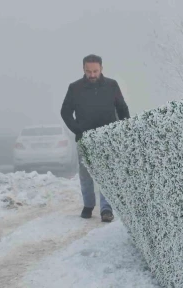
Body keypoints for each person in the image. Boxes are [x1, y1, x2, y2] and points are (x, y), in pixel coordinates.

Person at [60, 54, 130, 222]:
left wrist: (124, 129)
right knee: (86, 174)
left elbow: (122, 109)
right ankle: (88, 205)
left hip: (108, 137)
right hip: (85, 138)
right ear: (83, 69)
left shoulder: (112, 86)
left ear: (101, 69)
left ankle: (106, 209)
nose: (92, 75)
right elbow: (65, 112)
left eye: (95, 71)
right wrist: (78, 130)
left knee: (106, 174)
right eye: (88, 71)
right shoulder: (74, 88)